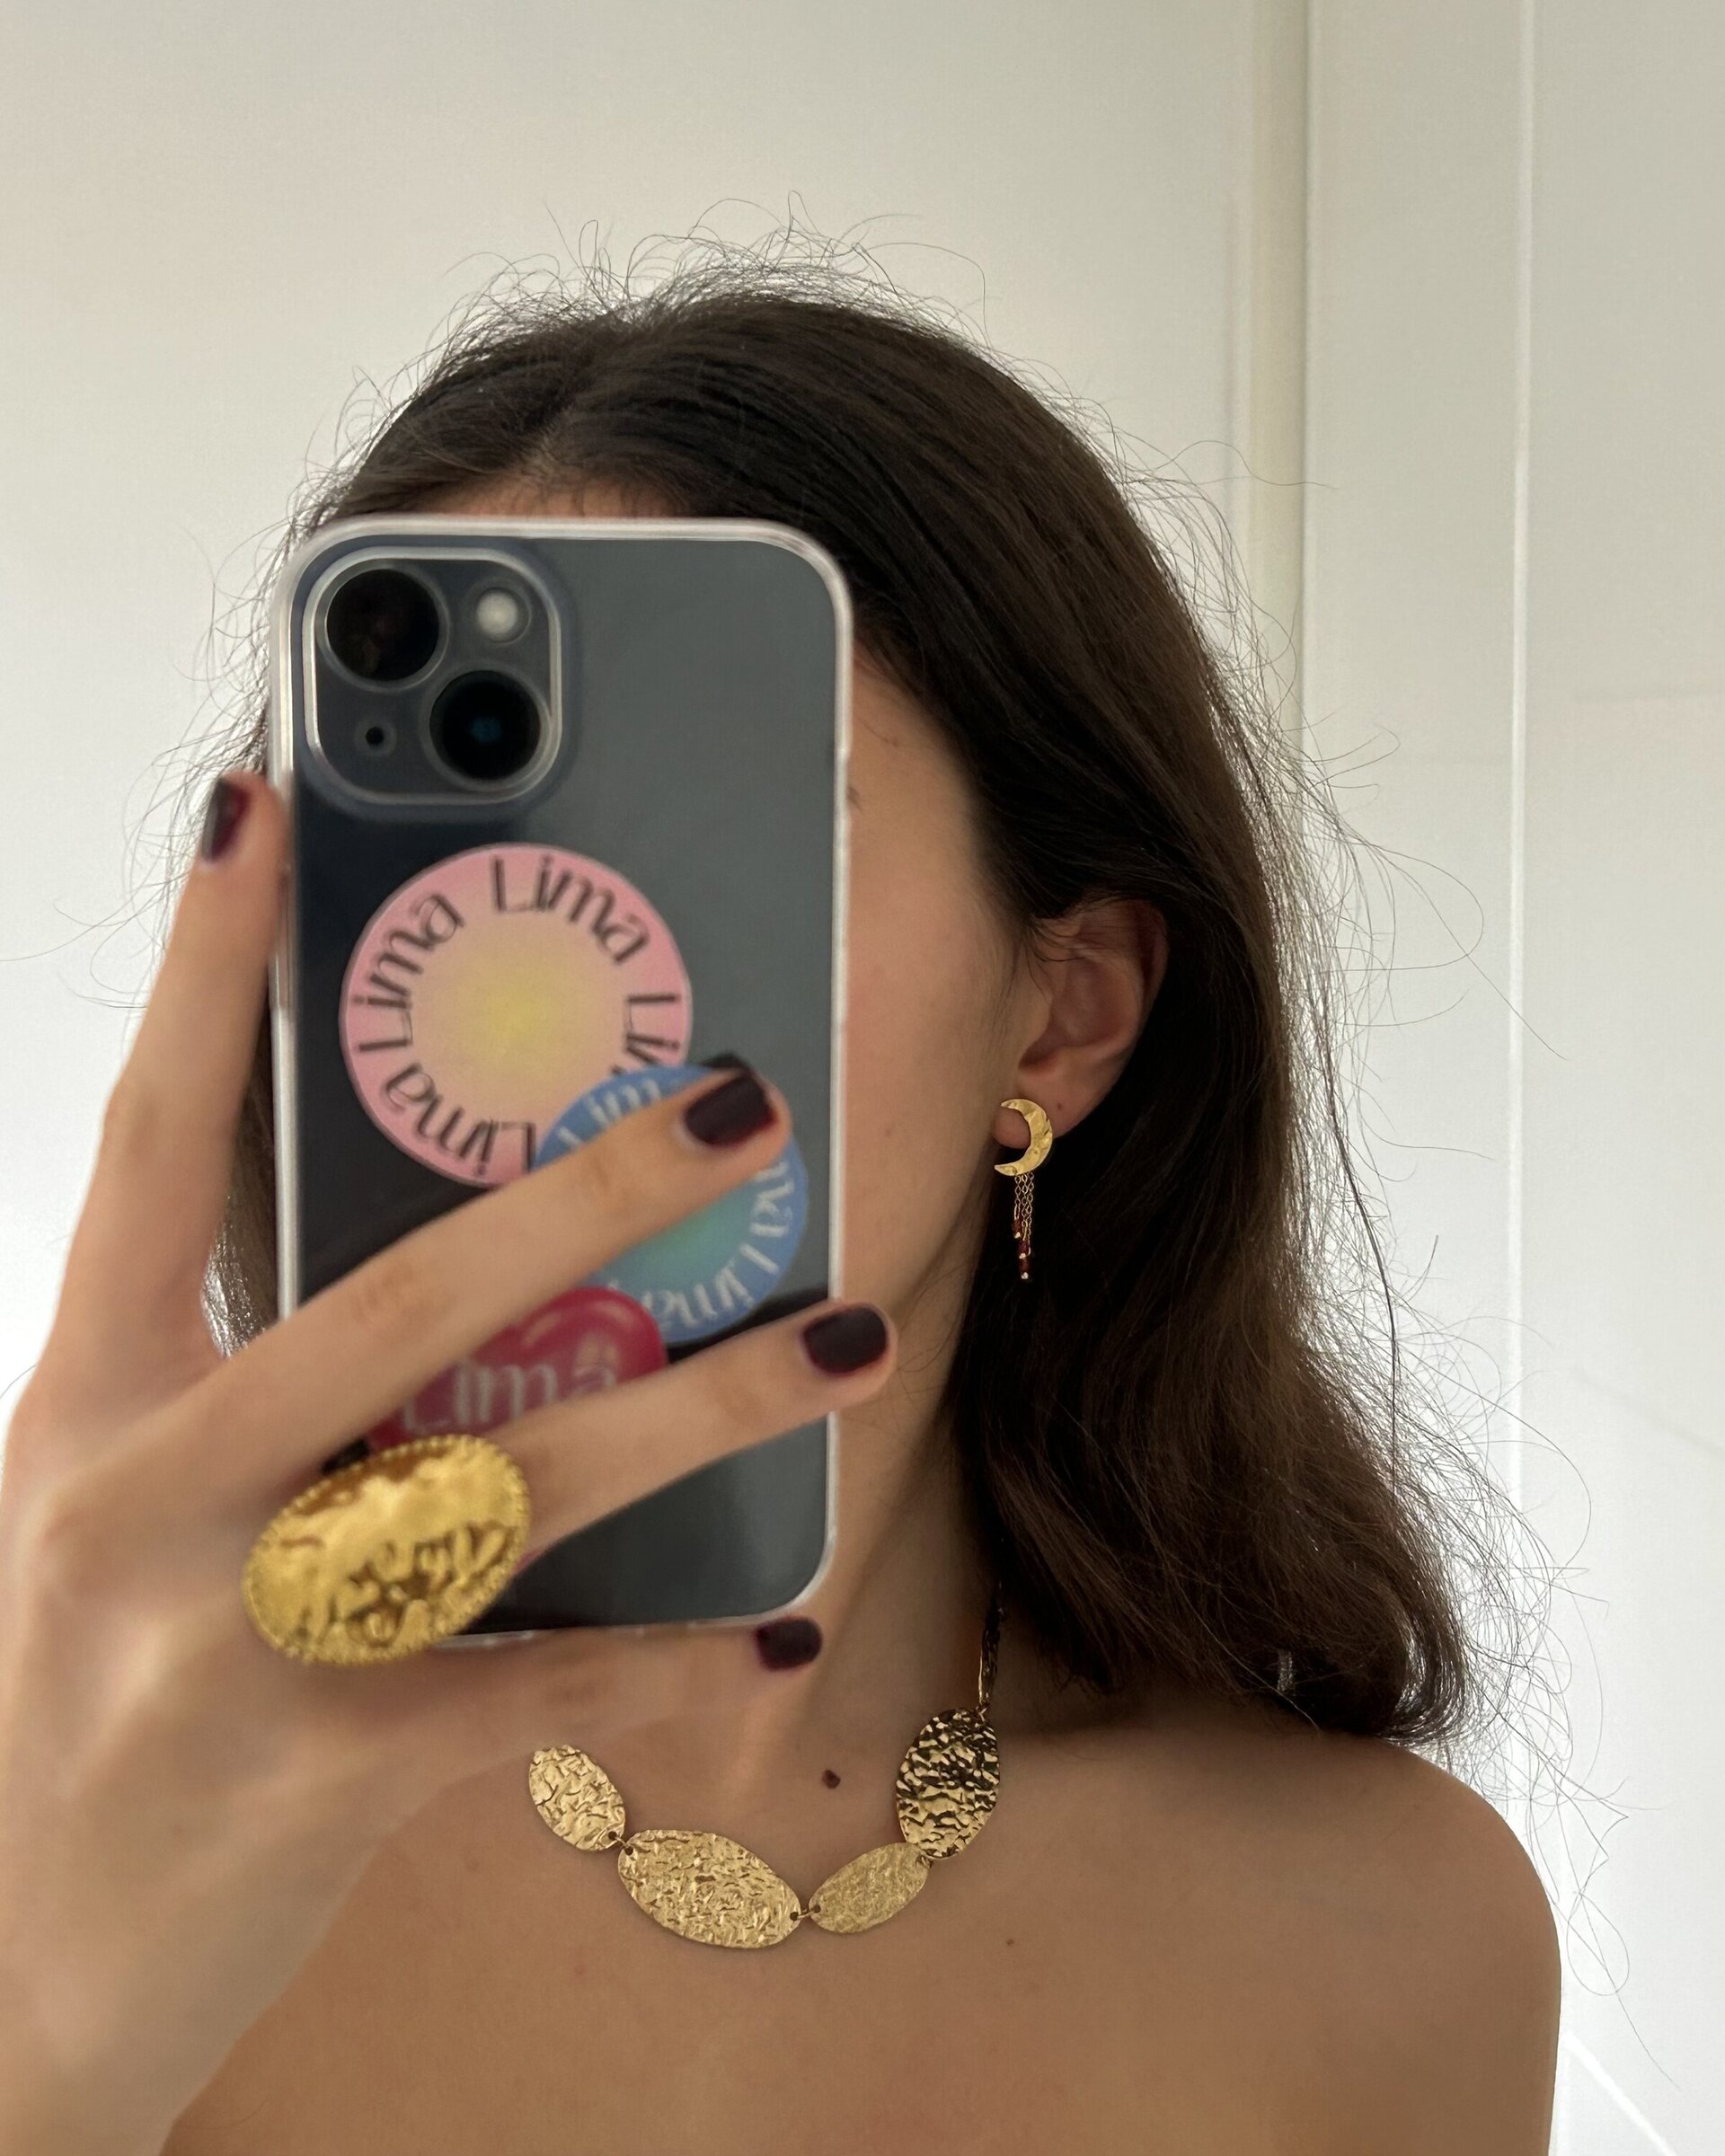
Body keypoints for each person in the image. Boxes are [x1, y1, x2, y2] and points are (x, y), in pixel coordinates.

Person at [0, 254, 1561, 2154]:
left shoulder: (1394, 1946)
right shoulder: (102, 1831)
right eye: (447, 868)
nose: (550, 985)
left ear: (1062, 1014)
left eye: (721, 836)